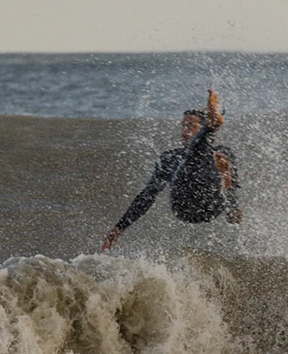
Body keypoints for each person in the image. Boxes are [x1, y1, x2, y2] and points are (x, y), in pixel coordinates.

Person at [100, 89, 242, 250]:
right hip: (183, 206)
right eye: (183, 126)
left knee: (215, 156)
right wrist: (119, 227)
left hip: (211, 206)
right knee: (192, 157)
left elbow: (232, 191)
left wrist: (233, 208)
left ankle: (212, 134)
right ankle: (212, 127)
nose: (184, 131)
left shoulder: (224, 153)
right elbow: (148, 195)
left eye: (190, 126)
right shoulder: (169, 158)